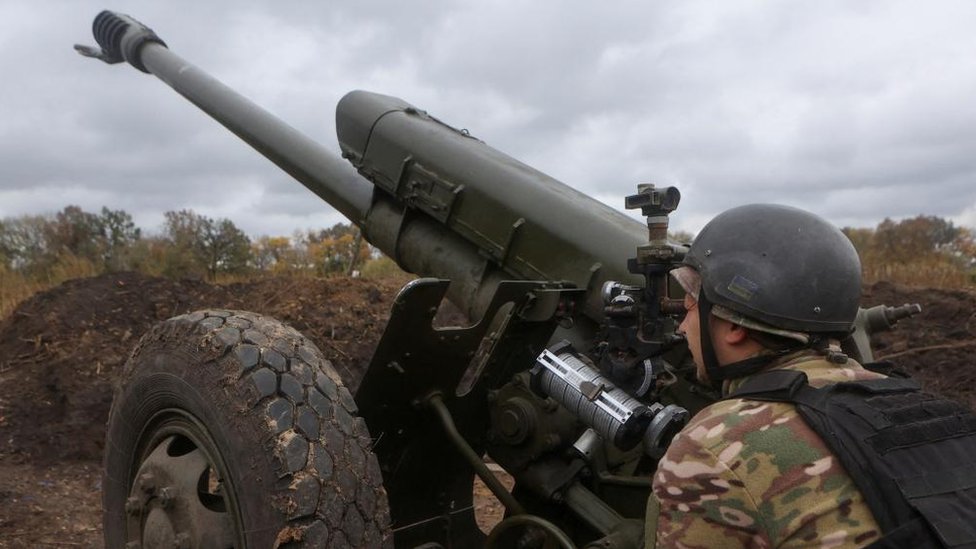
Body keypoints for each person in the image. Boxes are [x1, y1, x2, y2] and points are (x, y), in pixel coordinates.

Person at [647, 204, 976, 548]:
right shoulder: (930, 410)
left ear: (732, 325)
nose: (683, 326)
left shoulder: (714, 448)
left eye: (689, 305)